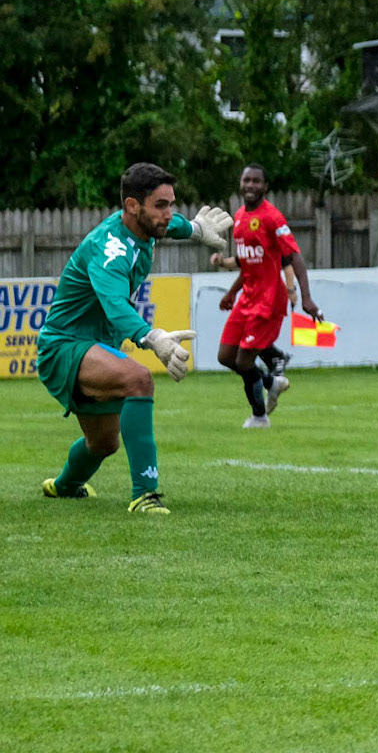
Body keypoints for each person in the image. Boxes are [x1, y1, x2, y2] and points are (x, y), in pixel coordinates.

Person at [38, 163, 232, 513]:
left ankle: (63, 486)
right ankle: (145, 495)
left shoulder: (144, 226)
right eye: (160, 205)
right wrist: (152, 337)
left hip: (93, 345)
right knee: (139, 379)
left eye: (171, 203)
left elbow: (171, 225)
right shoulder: (110, 250)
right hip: (64, 346)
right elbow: (115, 306)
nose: (168, 213)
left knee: (103, 443)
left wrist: (196, 228)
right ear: (132, 206)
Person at [214, 164, 323, 428]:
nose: (250, 185)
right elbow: (248, 264)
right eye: (246, 180)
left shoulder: (273, 218)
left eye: (256, 181)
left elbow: (295, 257)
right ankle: (271, 382)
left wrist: (306, 297)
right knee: (225, 356)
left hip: (269, 301)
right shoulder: (239, 217)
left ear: (265, 186)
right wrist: (232, 292)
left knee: (244, 360)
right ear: (240, 183)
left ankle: (259, 417)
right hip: (247, 298)